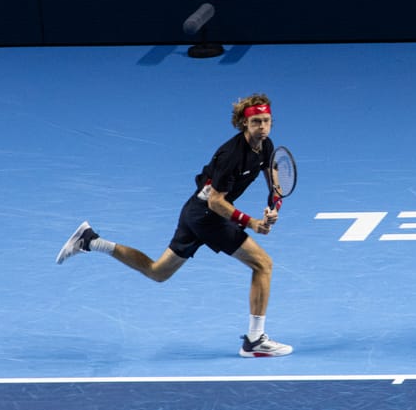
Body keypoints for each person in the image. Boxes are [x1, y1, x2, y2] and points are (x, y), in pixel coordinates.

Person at [56, 94, 292, 358]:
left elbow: (274, 179)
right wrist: (252, 223)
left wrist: (272, 207)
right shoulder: (231, 155)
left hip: (194, 211)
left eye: (266, 121)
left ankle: (90, 240)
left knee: (158, 272)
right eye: (256, 121)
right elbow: (216, 202)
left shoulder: (267, 146)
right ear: (244, 124)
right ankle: (254, 340)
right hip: (207, 215)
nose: (262, 127)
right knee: (263, 264)